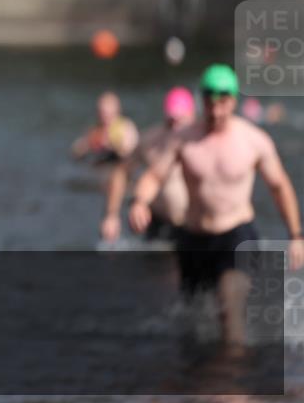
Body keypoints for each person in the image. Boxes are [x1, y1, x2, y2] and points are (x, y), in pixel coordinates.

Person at [129, 64, 304, 345]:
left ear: (234, 101)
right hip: (193, 237)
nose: (216, 112)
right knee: (194, 320)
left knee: (230, 313)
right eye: (210, 104)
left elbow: (279, 186)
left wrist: (296, 235)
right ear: (202, 101)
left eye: (223, 104)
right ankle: (198, 378)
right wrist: (140, 201)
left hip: (236, 235)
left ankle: (232, 384)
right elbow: (153, 175)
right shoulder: (183, 139)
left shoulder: (254, 141)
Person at [100, 87, 195, 244]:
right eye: (172, 119)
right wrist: (111, 215)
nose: (176, 126)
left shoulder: (202, 142)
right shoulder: (150, 141)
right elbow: (121, 173)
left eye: (181, 120)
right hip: (158, 224)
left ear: (192, 116)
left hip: (193, 226)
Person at [72, 91, 139, 165]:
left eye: (107, 113)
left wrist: (110, 145)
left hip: (117, 164)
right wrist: (87, 144)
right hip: (98, 164)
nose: (104, 117)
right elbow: (76, 150)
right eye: (101, 113)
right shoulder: (95, 128)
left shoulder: (126, 127)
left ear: (116, 111)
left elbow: (130, 149)